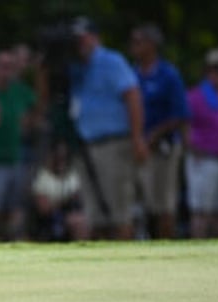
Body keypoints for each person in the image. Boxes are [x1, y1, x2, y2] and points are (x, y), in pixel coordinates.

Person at [69, 17, 149, 240]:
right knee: (94, 216)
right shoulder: (74, 66)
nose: (79, 43)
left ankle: (126, 265)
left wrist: (137, 138)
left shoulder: (111, 61)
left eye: (83, 37)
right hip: (85, 145)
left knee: (119, 212)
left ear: (95, 38)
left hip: (114, 145)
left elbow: (133, 97)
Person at [129, 24, 190, 239]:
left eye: (138, 41)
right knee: (142, 204)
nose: (133, 46)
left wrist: (154, 135)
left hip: (163, 148)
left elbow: (180, 114)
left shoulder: (168, 74)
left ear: (151, 45)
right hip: (138, 147)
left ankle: (166, 247)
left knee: (164, 204)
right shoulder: (132, 73)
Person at [185, 48, 218, 238]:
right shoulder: (196, 96)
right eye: (217, 70)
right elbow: (184, 125)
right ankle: (197, 251)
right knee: (202, 212)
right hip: (205, 161)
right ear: (208, 71)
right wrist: (192, 148)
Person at [0, 49, 36, 241]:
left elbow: (36, 112)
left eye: (10, 66)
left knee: (17, 207)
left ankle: (14, 241)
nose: (6, 70)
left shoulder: (22, 91)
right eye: (2, 65)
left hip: (19, 156)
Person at [29, 143, 86, 241]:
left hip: (73, 212)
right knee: (75, 221)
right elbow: (43, 209)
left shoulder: (72, 175)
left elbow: (79, 198)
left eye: (63, 158)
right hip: (52, 217)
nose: (61, 162)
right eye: (58, 158)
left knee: (81, 219)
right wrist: (64, 201)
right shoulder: (43, 177)